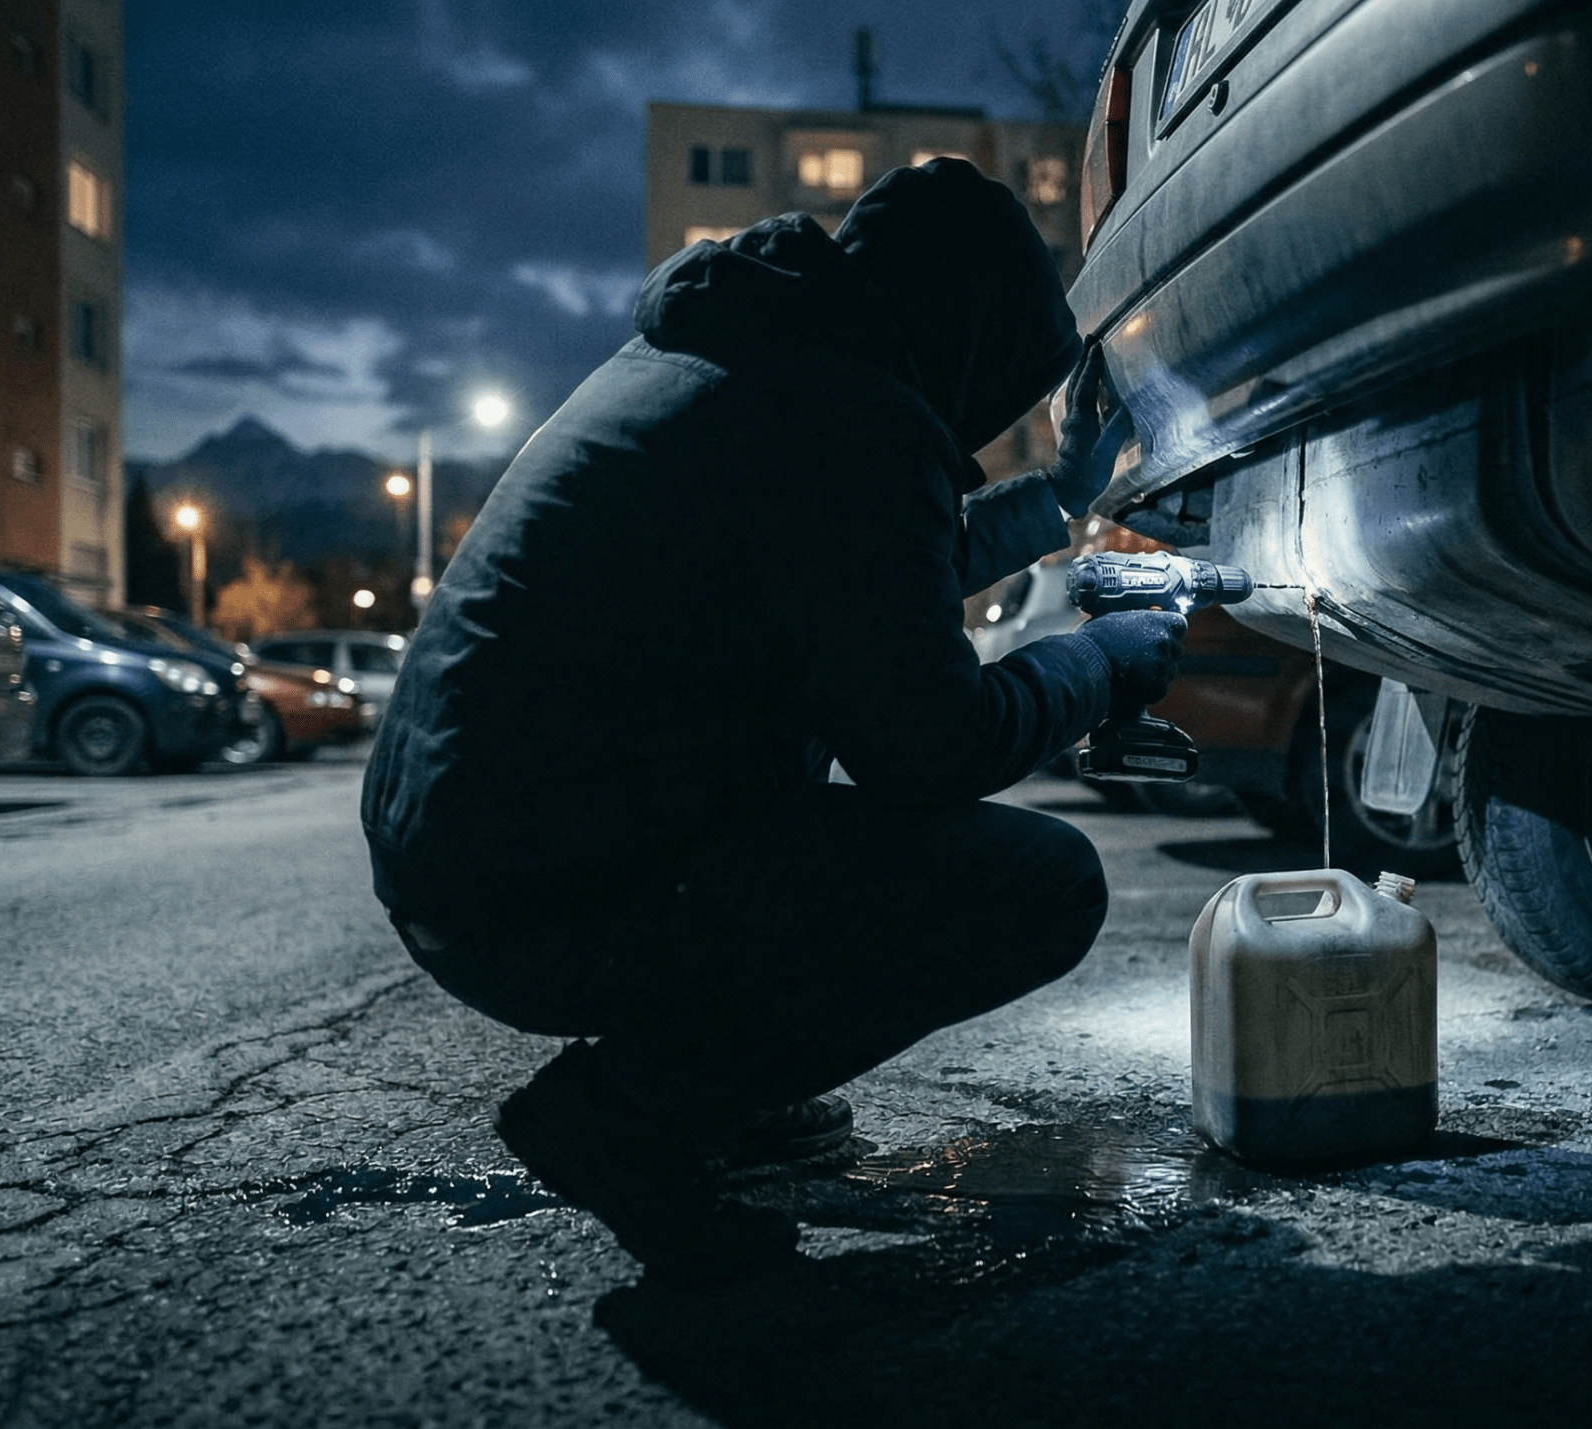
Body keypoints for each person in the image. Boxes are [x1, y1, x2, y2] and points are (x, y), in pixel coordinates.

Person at [359, 159, 1184, 1272]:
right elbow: (931, 747)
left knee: (813, 845)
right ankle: (627, 1110)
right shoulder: (850, 414)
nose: (985, 416)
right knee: (1039, 883)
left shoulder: (749, 353)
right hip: (546, 889)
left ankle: (713, 1098)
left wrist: (1057, 500)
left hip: (479, 855)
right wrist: (1101, 659)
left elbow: (869, 572)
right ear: (967, 326)